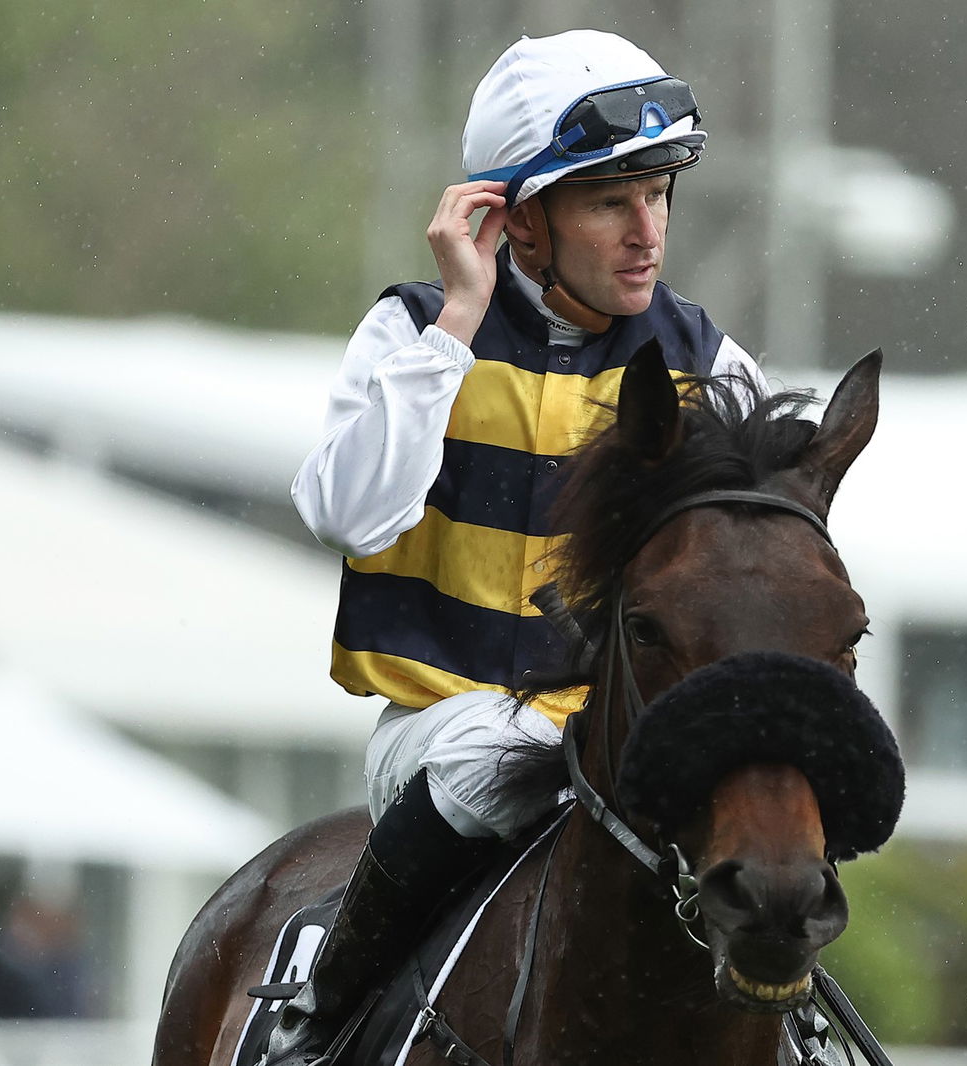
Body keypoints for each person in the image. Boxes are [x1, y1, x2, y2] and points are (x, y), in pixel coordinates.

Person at [269, 29, 766, 1066]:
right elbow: (348, 515)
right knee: (501, 756)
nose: (648, 232)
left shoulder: (710, 369)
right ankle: (321, 1010)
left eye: (659, 195)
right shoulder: (413, 332)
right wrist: (458, 316)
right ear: (519, 220)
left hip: (628, 747)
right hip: (441, 728)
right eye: (610, 202)